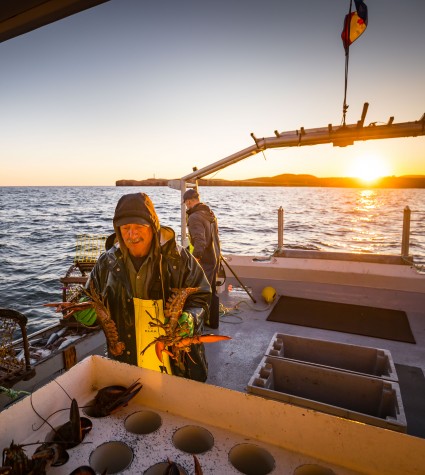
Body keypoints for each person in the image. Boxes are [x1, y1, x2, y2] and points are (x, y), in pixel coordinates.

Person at [75, 192, 211, 382]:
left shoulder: (179, 259)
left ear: (153, 226)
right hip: (125, 359)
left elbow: (202, 297)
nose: (132, 234)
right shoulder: (106, 263)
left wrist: (191, 317)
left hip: (177, 363)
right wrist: (84, 312)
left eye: (139, 226)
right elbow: (88, 297)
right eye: (125, 228)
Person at [183, 188, 221, 329]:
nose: (186, 206)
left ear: (190, 201)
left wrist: (195, 260)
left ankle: (201, 322)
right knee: (211, 290)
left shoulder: (194, 217)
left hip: (204, 260)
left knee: (200, 293)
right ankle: (212, 321)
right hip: (215, 257)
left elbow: (200, 241)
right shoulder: (210, 214)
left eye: (187, 203)